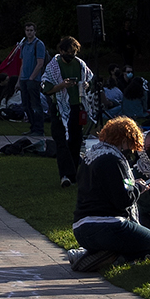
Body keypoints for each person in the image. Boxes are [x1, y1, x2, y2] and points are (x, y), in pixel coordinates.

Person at [68, 116, 150, 273]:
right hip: (107, 227)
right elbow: (123, 199)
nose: (131, 150)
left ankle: (89, 255)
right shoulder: (116, 160)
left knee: (130, 242)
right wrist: (138, 188)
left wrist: (132, 186)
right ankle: (114, 260)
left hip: (81, 228)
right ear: (125, 140)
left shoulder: (89, 157)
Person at [42, 37, 93, 187]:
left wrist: (86, 85)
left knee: (75, 141)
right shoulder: (53, 67)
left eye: (74, 52)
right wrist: (62, 85)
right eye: (69, 52)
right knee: (61, 140)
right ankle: (65, 174)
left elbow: (89, 80)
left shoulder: (80, 65)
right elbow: (46, 89)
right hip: (59, 108)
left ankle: (73, 174)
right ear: (61, 51)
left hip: (76, 106)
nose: (71, 55)